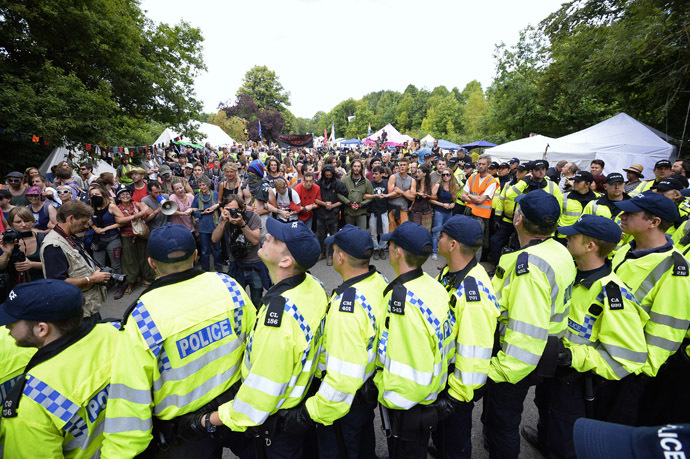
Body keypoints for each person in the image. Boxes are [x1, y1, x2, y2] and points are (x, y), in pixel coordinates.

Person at [101, 224, 255, 458]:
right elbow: (256, 343)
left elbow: (130, 394)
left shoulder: (143, 316)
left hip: (185, 433)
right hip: (234, 405)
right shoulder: (228, 286)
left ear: (151, 263)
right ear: (195, 255)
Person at [521, 215, 648, 458]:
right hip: (552, 371)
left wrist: (573, 356)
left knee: (565, 437)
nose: (567, 237)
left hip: (575, 381)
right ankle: (545, 441)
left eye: (574, 235)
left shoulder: (612, 295)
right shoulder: (571, 274)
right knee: (545, 411)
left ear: (591, 246)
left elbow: (629, 358)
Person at [200, 218, 328, 458]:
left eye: (275, 239)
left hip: (274, 426)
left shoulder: (278, 319)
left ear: (286, 261)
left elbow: (259, 397)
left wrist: (211, 419)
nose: (267, 236)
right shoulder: (314, 284)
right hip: (297, 409)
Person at [483, 190, 576, 459]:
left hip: (518, 360)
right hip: (548, 347)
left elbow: (526, 330)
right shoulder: (558, 249)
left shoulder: (529, 267)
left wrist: (501, 372)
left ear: (518, 218)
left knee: (504, 424)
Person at [0, 279, 120, 458]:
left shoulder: (33, 401)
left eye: (13, 321)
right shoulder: (115, 332)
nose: (6, 326)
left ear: (41, 329)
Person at [300, 225, 388, 458]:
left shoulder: (346, 308)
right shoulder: (379, 279)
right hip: (366, 391)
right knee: (363, 446)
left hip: (344, 406)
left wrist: (312, 412)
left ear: (340, 257)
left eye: (334, 249)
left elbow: (341, 379)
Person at [612, 192, 690, 426]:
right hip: (609, 356)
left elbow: (667, 329)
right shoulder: (627, 250)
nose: (622, 216)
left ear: (654, 222)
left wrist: (641, 371)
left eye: (630, 213)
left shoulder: (675, 270)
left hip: (631, 370)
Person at [376, 222, 453, 459]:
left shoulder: (403, 302)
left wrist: (382, 390)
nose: (388, 247)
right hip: (431, 393)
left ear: (397, 252)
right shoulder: (433, 284)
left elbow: (408, 370)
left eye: (391, 244)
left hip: (408, 406)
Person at [433, 215, 500, 459]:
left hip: (457, 388)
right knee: (443, 438)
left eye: (441, 236)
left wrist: (455, 398)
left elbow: (475, 351)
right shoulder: (452, 272)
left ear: (453, 245)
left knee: (455, 444)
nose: (437, 238)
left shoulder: (473, 294)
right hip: (446, 376)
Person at [40, 201, 110, 317]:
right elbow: (58, 283)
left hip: (88, 306)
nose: (85, 226)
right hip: (77, 312)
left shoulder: (68, 236)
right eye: (83, 222)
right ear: (71, 218)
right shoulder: (53, 246)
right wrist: (91, 279)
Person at [212, 194, 266, 307]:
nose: (231, 212)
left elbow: (255, 241)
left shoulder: (252, 217)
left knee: (257, 300)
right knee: (238, 300)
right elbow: (215, 239)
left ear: (242, 209)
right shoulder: (224, 218)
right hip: (236, 263)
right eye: (227, 209)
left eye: (234, 209)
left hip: (254, 264)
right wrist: (223, 222)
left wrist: (242, 224)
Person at [111, 187, 151, 295]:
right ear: (118, 197)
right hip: (127, 236)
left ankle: (143, 278)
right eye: (122, 194)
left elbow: (147, 210)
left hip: (140, 235)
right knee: (129, 260)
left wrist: (143, 209)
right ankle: (131, 282)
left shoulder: (136, 204)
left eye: (127, 194)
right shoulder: (117, 208)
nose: (125, 196)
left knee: (143, 256)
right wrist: (136, 215)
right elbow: (119, 220)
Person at [461, 155, 500, 261]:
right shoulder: (473, 177)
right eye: (479, 164)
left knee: (476, 242)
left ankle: (474, 266)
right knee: (464, 239)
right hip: (469, 213)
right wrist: (475, 198)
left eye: (483, 164)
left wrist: (470, 196)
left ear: (488, 165)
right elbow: (462, 196)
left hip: (481, 217)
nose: (480, 166)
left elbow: (480, 200)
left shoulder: (492, 181)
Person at [0, 206, 46, 286]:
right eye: (18, 222)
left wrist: (32, 264)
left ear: (32, 221)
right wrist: (7, 253)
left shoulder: (43, 238)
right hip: (16, 287)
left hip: (42, 284)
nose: (23, 224)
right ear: (11, 224)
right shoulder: (6, 240)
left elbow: (57, 265)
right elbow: (1, 267)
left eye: (27, 221)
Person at [315, 165, 347, 266]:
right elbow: (314, 197)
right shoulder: (319, 183)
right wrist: (324, 204)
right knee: (320, 235)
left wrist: (333, 206)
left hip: (333, 213)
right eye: (326, 175)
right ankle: (322, 252)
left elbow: (344, 198)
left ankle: (331, 254)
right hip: (321, 212)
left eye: (330, 175)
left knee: (333, 235)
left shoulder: (339, 184)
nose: (328, 176)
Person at [555, 171, 598, 241]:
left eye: (578, 182)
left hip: (586, 238)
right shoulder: (563, 197)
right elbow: (555, 217)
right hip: (564, 237)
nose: (574, 183)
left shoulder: (597, 199)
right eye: (574, 181)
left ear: (587, 184)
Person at [192, 175, 222, 272]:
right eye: (200, 185)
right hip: (203, 226)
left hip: (215, 225)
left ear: (208, 185)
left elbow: (223, 205)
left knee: (217, 248)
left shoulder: (216, 195)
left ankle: (218, 267)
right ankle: (205, 269)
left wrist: (216, 207)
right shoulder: (197, 197)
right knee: (205, 250)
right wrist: (202, 213)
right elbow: (193, 212)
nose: (202, 187)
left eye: (204, 185)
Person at [430, 167, 458, 260]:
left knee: (447, 232)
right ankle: (434, 251)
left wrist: (453, 204)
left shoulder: (454, 186)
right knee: (437, 232)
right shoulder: (438, 185)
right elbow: (431, 199)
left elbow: (454, 199)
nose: (445, 176)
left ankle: (445, 250)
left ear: (451, 176)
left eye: (447, 174)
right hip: (439, 211)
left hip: (449, 212)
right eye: (443, 175)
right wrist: (442, 204)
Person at [365, 166, 392, 260]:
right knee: (373, 233)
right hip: (373, 212)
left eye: (376, 174)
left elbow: (393, 192)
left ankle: (382, 248)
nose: (374, 176)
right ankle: (376, 249)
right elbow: (365, 195)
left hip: (384, 212)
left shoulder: (386, 182)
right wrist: (375, 195)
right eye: (373, 174)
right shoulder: (370, 183)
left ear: (382, 174)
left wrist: (387, 195)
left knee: (385, 232)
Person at [339, 159, 374, 229]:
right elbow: (339, 194)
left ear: (361, 168)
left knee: (362, 233)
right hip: (348, 212)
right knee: (349, 233)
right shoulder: (345, 180)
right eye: (355, 166)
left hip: (361, 212)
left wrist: (361, 204)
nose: (356, 168)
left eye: (358, 166)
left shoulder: (366, 182)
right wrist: (349, 203)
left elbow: (371, 196)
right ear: (351, 167)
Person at [387, 157, 416, 231]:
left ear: (407, 167)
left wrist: (401, 191)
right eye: (401, 165)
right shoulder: (393, 177)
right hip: (392, 208)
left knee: (403, 232)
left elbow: (412, 197)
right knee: (392, 233)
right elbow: (390, 195)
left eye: (404, 165)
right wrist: (405, 193)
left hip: (403, 209)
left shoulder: (412, 180)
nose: (402, 166)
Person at [409, 164, 435, 233]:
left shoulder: (430, 184)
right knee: (415, 232)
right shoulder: (415, 182)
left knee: (426, 233)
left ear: (424, 174)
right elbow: (411, 193)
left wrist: (427, 196)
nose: (417, 174)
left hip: (427, 212)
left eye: (419, 172)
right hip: (415, 211)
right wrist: (417, 193)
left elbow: (435, 197)